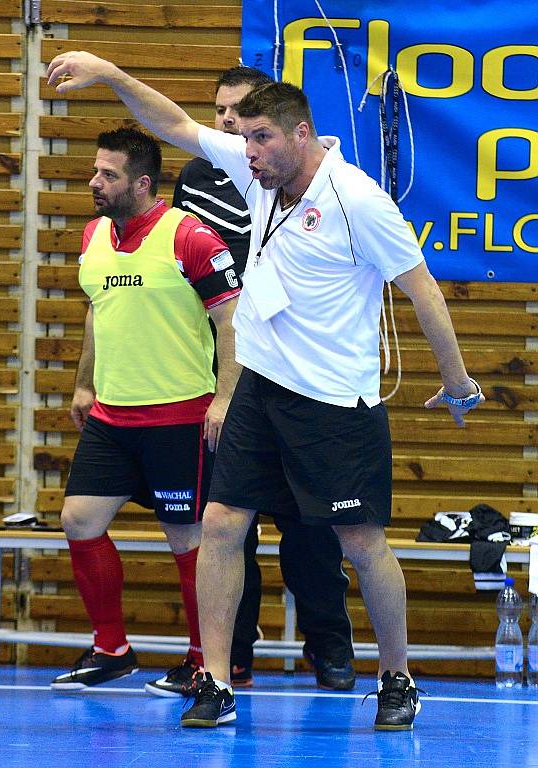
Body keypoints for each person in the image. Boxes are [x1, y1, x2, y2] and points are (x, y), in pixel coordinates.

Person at [47, 53, 485, 731]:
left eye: (261, 139)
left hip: (336, 403)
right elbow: (172, 124)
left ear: (301, 134)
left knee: (361, 544)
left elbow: (422, 287)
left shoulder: (356, 200)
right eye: (242, 138)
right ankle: (216, 681)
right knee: (222, 523)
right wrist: (109, 72)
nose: (247, 152)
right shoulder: (256, 173)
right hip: (259, 388)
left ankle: (397, 675)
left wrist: (458, 383)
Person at [174, 64, 357, 691]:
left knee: (313, 529)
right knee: (228, 526)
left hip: (306, 378)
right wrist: (220, 387)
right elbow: (203, 292)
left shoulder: (306, 184)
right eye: (221, 110)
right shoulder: (201, 177)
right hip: (235, 371)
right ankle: (229, 661)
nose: (228, 122)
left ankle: (330, 648)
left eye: (242, 114)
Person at [49, 126, 242, 698]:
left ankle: (203, 661)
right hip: (112, 417)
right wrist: (84, 384)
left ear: (141, 181)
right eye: (94, 170)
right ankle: (112, 648)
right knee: (79, 520)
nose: (94, 182)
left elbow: (231, 321)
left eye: (107, 174)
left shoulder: (191, 238)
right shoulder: (93, 236)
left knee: (187, 541)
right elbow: (96, 310)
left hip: (179, 418)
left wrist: (226, 396)